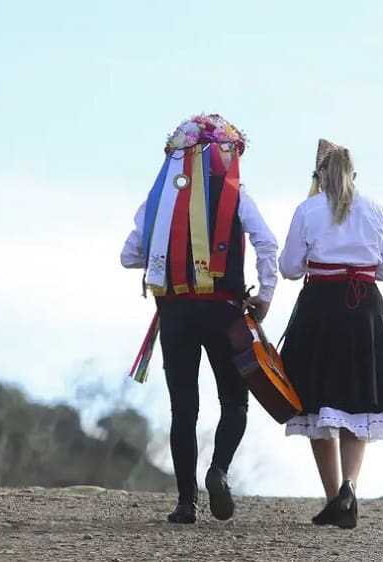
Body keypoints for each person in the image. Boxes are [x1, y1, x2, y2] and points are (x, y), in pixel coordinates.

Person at [120, 114, 278, 524]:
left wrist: (166, 259)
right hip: (223, 312)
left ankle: (185, 503)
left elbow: (128, 256)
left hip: (175, 314)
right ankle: (218, 470)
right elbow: (266, 244)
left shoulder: (156, 201)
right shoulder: (237, 196)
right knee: (234, 402)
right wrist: (265, 296)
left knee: (183, 409)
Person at [278, 138, 383, 529]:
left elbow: (290, 268)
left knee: (318, 404)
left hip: (320, 311)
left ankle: (334, 496)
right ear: (353, 176)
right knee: (356, 403)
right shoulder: (376, 211)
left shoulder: (308, 210)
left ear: (319, 177)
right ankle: (349, 487)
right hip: (363, 309)